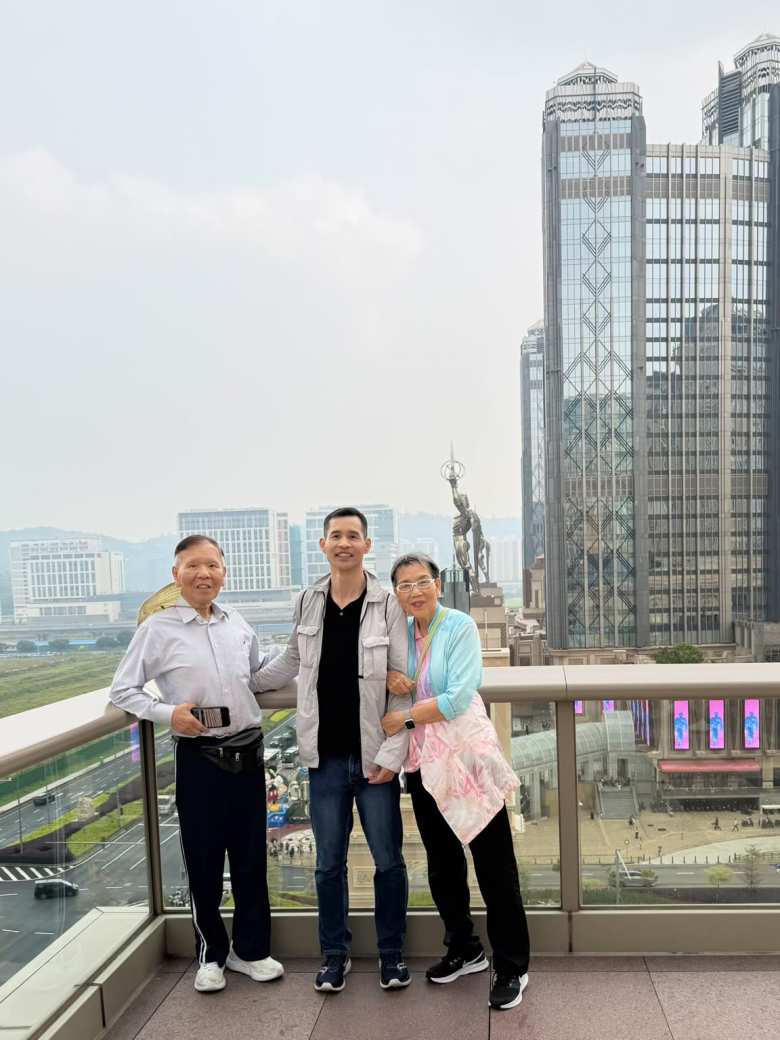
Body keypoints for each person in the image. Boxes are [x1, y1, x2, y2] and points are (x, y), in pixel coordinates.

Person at [110, 535, 283, 994]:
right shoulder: (158, 629)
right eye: (193, 566)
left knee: (250, 860)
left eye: (212, 565)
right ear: (176, 575)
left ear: (224, 573)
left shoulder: (238, 623)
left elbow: (259, 678)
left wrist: (301, 657)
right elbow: (123, 691)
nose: (203, 574)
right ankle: (211, 955)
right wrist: (169, 715)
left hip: (248, 753)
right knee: (203, 859)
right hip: (199, 758)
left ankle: (252, 951)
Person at [254, 507, 411, 993]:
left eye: (353, 536)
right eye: (335, 535)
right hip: (322, 758)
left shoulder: (387, 604)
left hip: (373, 758)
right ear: (323, 545)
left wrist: (391, 756)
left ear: (367, 545)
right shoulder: (308, 601)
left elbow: (402, 685)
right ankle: (334, 956)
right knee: (327, 864)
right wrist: (242, 684)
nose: (344, 543)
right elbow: (290, 661)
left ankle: (391, 956)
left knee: (388, 860)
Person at [381, 553, 531, 1011]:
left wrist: (403, 717)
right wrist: (391, 677)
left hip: (467, 760)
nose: (414, 592)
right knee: (443, 864)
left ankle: (511, 966)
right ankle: (464, 949)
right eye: (404, 586)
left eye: (422, 581)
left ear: (439, 585)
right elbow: (382, 678)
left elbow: (457, 696)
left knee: (494, 866)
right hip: (425, 764)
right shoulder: (400, 635)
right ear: (396, 595)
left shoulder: (460, 625)